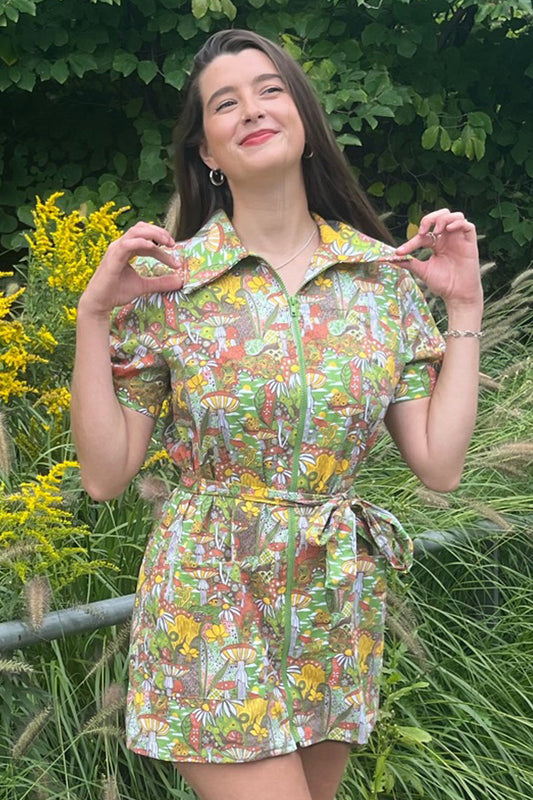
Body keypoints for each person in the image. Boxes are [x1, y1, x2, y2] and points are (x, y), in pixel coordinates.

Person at [71, 28, 483, 800]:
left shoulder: (379, 280)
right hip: (209, 593)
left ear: (302, 119)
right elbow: (103, 474)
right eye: (224, 104)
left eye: (268, 90)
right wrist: (93, 317)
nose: (251, 110)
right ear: (206, 152)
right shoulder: (169, 284)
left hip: (333, 600)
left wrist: (462, 304)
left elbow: (439, 462)